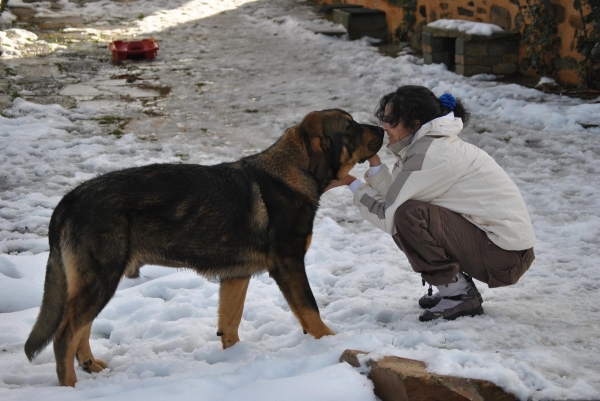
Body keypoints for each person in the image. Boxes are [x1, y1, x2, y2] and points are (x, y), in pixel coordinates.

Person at [325, 85, 536, 322]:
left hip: (506, 257)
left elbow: (389, 216)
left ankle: (458, 296)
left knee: (408, 216)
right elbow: (397, 196)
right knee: (406, 211)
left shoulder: (432, 153)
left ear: (415, 123)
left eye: (391, 121)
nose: (385, 127)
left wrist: (351, 183)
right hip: (502, 250)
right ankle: (456, 289)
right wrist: (373, 160)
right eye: (384, 119)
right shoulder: (427, 146)